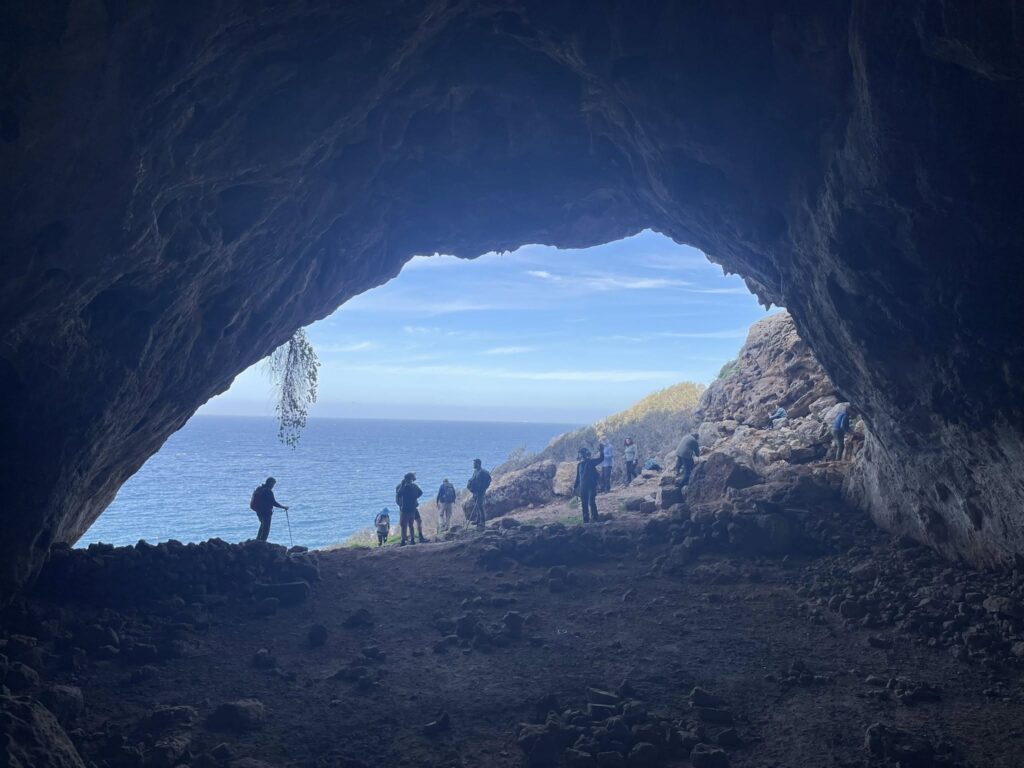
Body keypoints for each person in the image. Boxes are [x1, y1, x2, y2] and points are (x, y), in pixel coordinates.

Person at [249, 477, 288, 543]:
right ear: (270, 483)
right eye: (273, 484)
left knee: (262, 527)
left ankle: (257, 541)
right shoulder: (268, 491)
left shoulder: (260, 489)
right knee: (266, 529)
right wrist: (283, 507)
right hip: (266, 512)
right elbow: (273, 502)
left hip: (259, 511)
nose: (273, 486)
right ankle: (262, 543)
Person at [572, 444, 604, 523]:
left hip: (591, 486)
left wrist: (601, 451)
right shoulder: (579, 465)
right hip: (583, 487)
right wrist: (575, 487)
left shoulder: (590, 462)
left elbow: (601, 459)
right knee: (584, 504)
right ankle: (586, 520)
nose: (581, 456)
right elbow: (578, 477)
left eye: (581, 454)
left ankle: (595, 518)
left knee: (591, 502)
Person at [395, 472, 425, 545]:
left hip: (405, 508)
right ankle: (413, 539)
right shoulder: (413, 486)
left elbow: (398, 495)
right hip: (412, 507)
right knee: (411, 524)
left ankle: (404, 540)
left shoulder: (403, 487)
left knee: (404, 525)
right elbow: (420, 493)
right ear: (411, 479)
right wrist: (414, 498)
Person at [466, 459, 491, 531]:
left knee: (480, 506)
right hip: (475, 492)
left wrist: (483, 489)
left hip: (480, 492)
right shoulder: (475, 471)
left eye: (474, 463)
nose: (473, 465)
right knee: (477, 506)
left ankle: (483, 522)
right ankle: (478, 519)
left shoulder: (483, 472)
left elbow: (488, 481)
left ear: (478, 464)